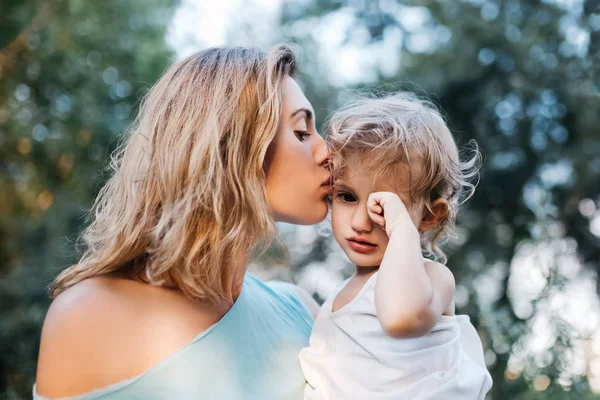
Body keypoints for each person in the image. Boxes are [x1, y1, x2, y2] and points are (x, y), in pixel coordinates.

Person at [34, 45, 329, 399]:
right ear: (231, 144)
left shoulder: (304, 313)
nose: (327, 151)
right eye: (301, 132)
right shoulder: (89, 315)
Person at [299, 93, 493, 399]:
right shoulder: (336, 297)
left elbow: (401, 317)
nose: (362, 222)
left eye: (387, 207)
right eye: (347, 197)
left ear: (430, 215)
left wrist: (403, 228)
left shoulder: (433, 279)